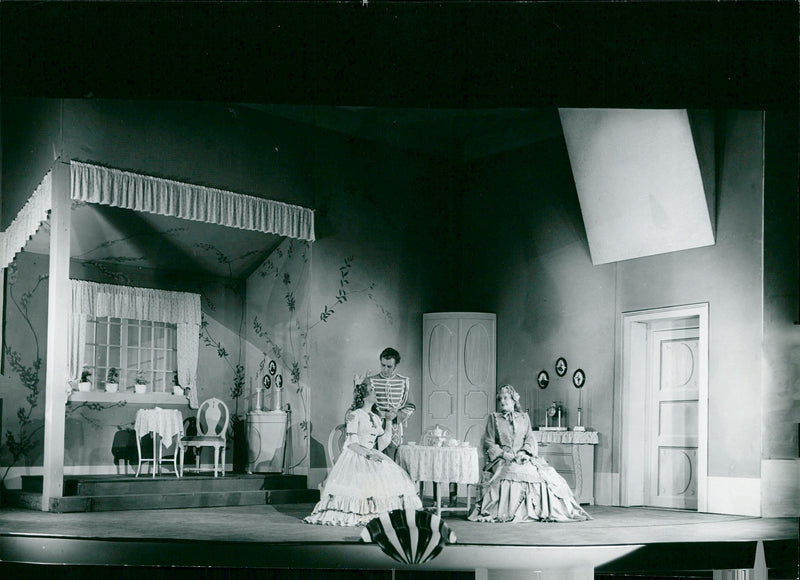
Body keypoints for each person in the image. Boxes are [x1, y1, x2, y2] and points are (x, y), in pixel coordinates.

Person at [304, 380, 422, 526]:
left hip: (372, 453)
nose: (375, 392)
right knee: (366, 479)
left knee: (391, 475)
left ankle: (384, 513)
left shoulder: (375, 417)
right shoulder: (355, 415)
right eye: (372, 390)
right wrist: (367, 455)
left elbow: (383, 442)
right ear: (365, 396)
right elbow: (351, 443)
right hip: (357, 455)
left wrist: (390, 421)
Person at [469, 384, 591, 523]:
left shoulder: (524, 417)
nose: (502, 401)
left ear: (514, 401)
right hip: (503, 459)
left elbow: (530, 438)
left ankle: (539, 511)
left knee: (542, 474)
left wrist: (524, 453)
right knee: (513, 472)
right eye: (500, 398)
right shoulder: (494, 418)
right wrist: (505, 455)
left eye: (506, 398)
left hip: (523, 457)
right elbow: (489, 442)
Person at [365, 347, 414, 454]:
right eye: (383, 365)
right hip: (373, 424)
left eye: (389, 366)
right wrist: (378, 414)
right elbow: (361, 404)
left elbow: (410, 406)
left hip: (394, 426)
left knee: (393, 458)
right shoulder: (370, 380)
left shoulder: (403, 381)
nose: (385, 369)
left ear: (395, 366)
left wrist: (396, 415)